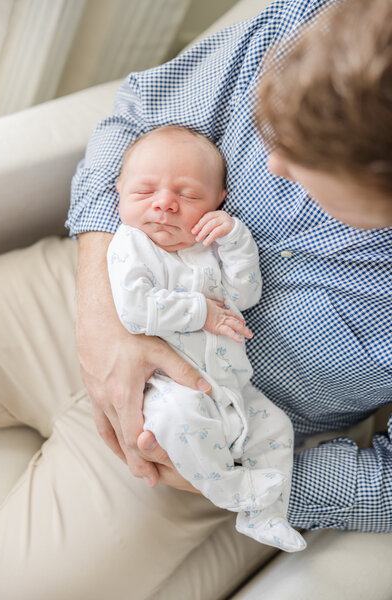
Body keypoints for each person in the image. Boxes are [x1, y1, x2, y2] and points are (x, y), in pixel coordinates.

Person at [0, 0, 391, 598]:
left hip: (207, 427)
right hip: (83, 290)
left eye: (311, 164)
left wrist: (249, 479)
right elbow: (135, 122)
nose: (271, 161)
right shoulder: (320, 23)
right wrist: (103, 318)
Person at [107, 125, 306, 552]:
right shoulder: (131, 244)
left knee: (275, 426)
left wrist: (235, 240)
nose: (164, 204)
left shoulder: (210, 244)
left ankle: (265, 517)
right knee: (183, 419)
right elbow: (136, 309)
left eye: (190, 196)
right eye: (144, 192)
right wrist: (204, 313)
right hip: (166, 385)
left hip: (234, 386)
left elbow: (245, 295)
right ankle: (238, 492)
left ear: (219, 201)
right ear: (119, 191)